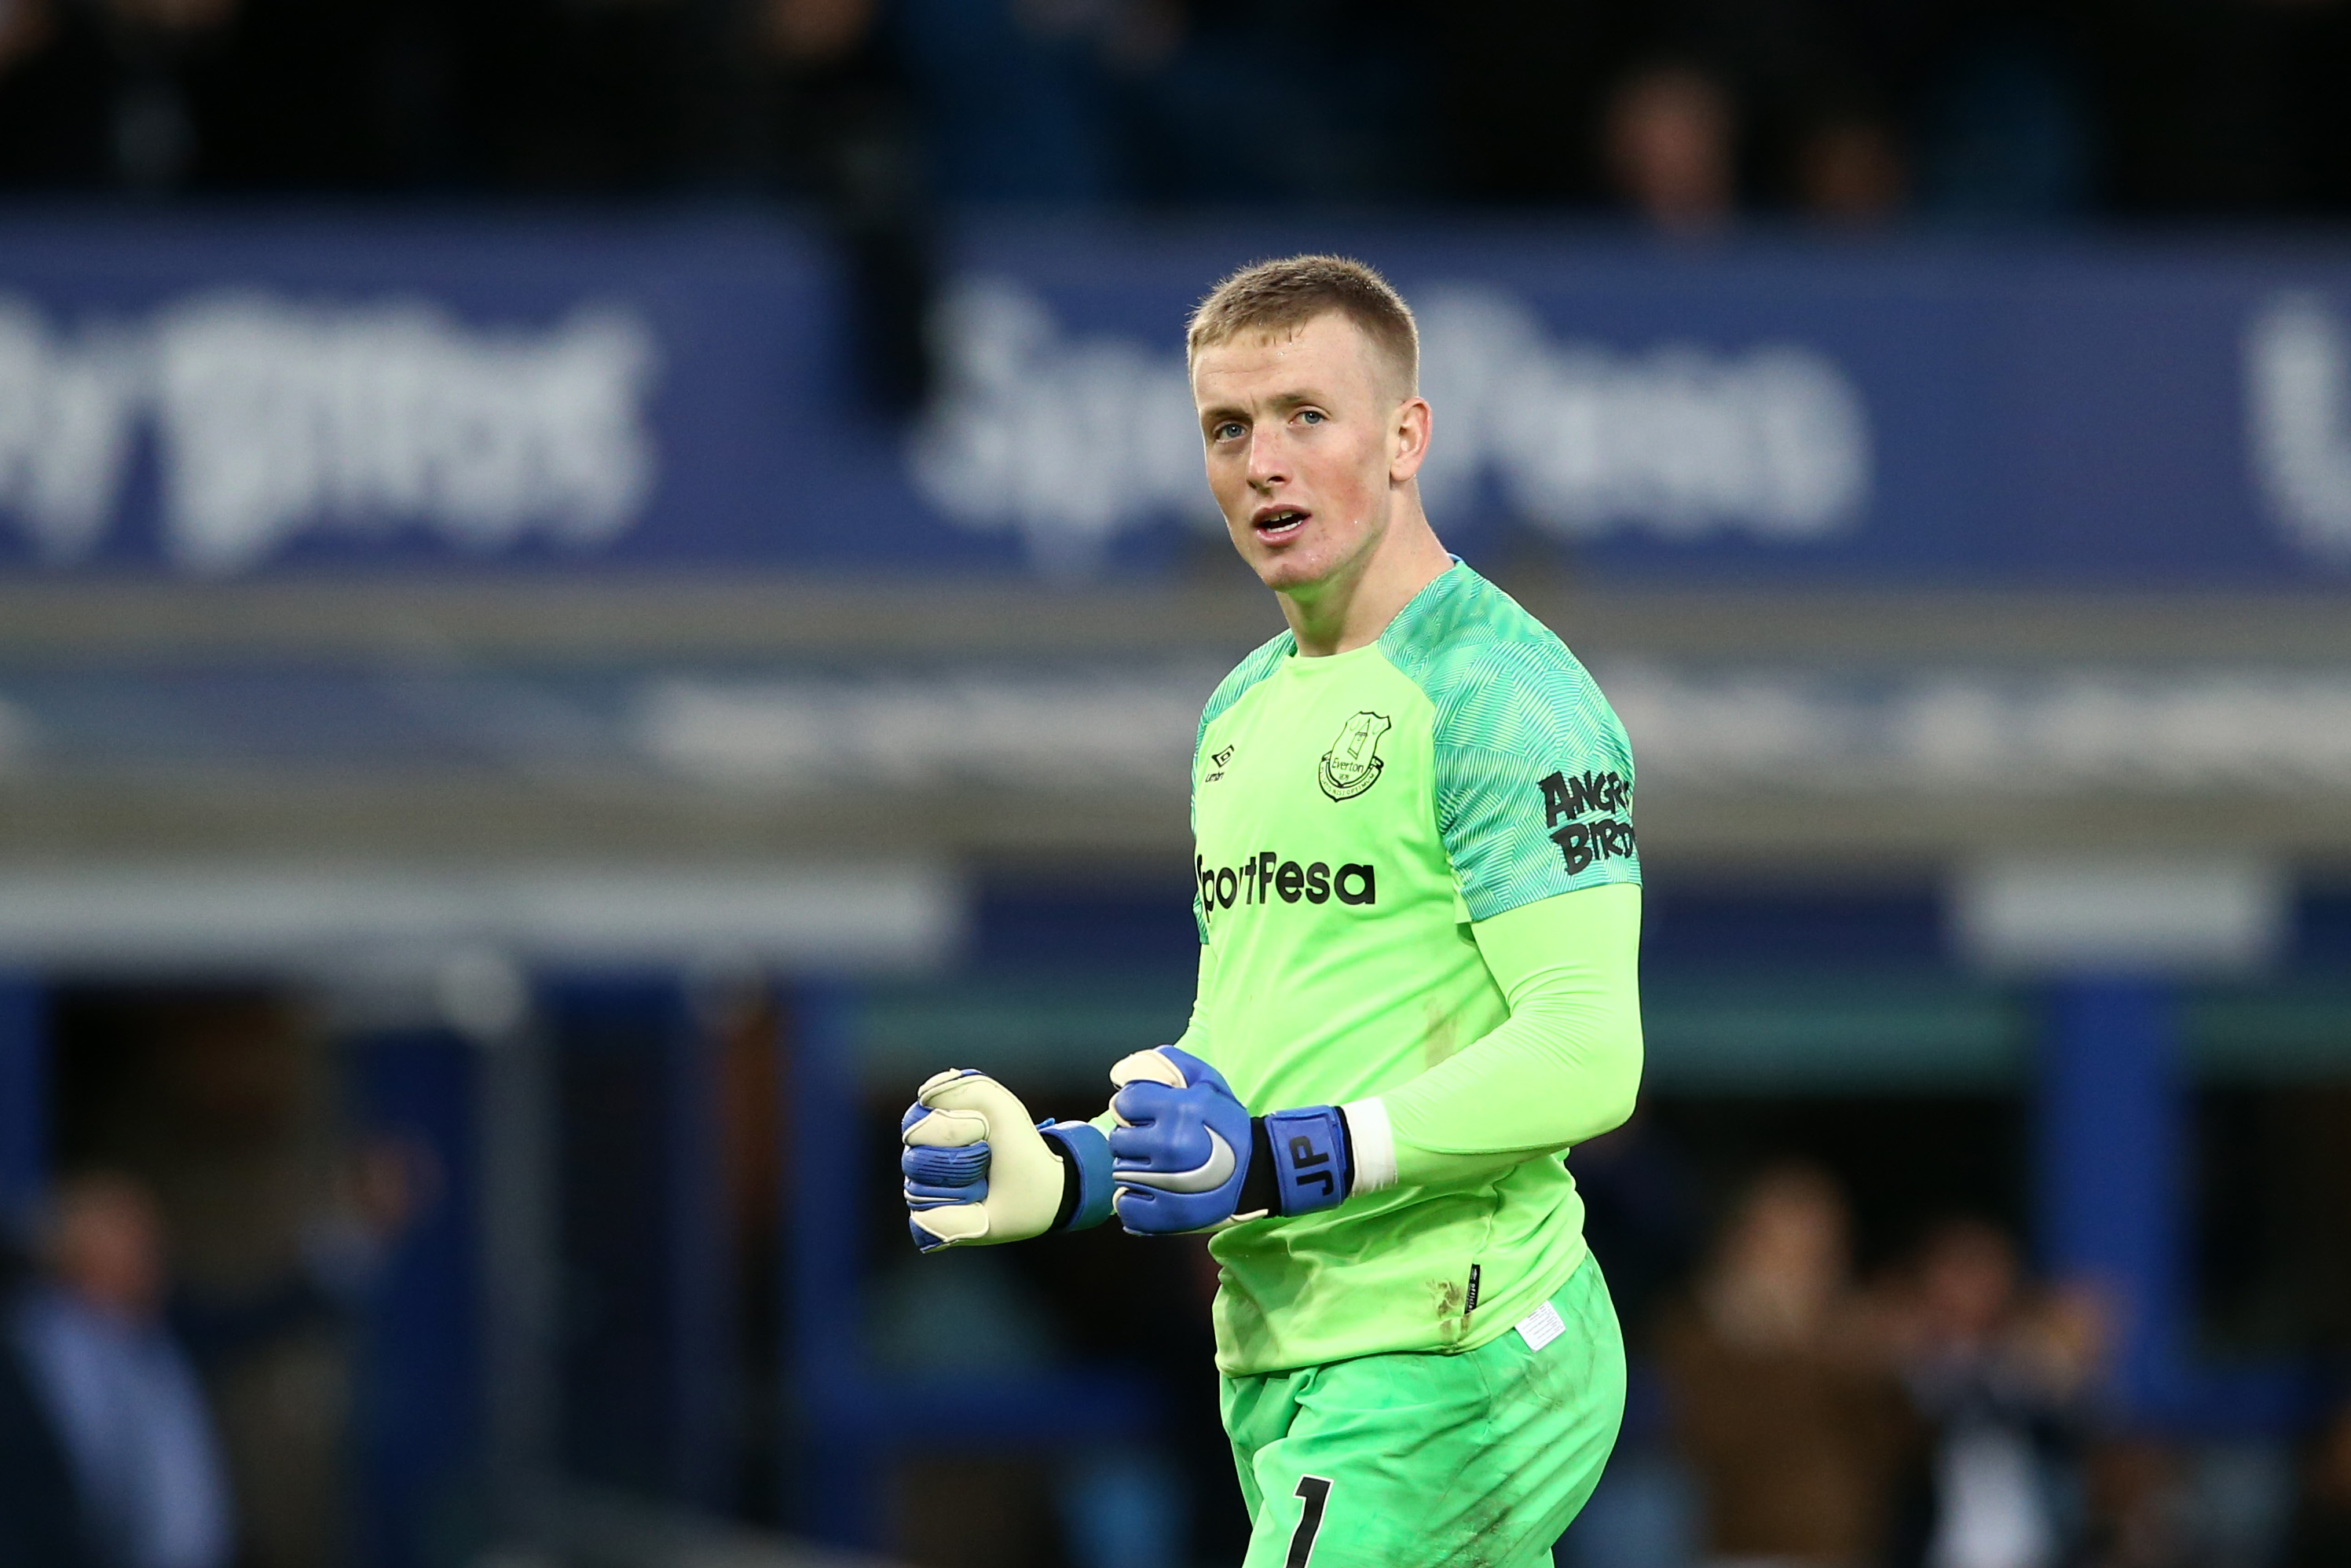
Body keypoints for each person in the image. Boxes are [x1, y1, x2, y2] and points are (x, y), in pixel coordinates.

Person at [896, 255, 1645, 1566]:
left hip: (1452, 1350)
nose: (1263, 463)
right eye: (1227, 428)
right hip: (1283, 1351)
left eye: (1307, 415)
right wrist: (1069, 1173)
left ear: (1405, 437)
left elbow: (1588, 1055)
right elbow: (1253, 1059)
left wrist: (1276, 1158)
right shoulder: (1240, 710)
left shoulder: (1502, 696)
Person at [1660, 1163, 1910, 1568]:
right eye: (1781, 1247)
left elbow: (1894, 1444)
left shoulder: (1859, 1335)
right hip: (1737, 1551)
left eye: (1815, 1249)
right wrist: (1772, 1344)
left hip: (1849, 1550)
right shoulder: (1697, 1331)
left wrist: (1847, 1346)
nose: (1797, 1267)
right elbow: (1706, 1440)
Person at [9, 1171, 233, 1568]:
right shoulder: (31, 1350)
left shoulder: (163, 1333)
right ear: (77, 1249)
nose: (155, 1250)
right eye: (132, 1235)